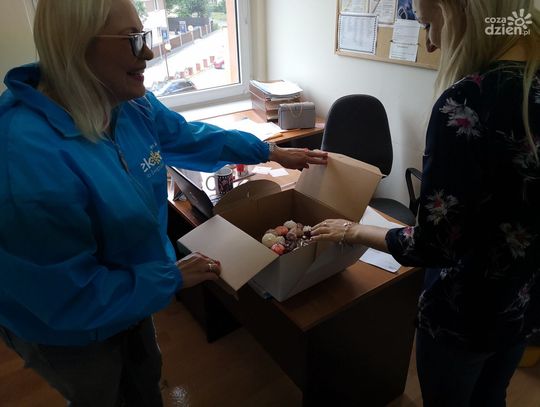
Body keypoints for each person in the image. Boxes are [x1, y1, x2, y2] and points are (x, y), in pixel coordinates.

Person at [0, 0, 327, 406]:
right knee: (101, 393)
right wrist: (169, 279)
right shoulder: (24, 160)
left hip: (135, 286)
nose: (149, 53)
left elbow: (190, 137)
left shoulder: (128, 102)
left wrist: (268, 151)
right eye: (132, 39)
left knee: (145, 375)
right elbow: (68, 298)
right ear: (76, 45)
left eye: (145, 36)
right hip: (70, 329)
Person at [312, 0, 540, 405]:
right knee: (492, 397)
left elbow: (434, 245)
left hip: (465, 315)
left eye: (428, 24)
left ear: (456, 10)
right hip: (524, 305)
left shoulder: (467, 101)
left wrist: (352, 230)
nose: (431, 45)